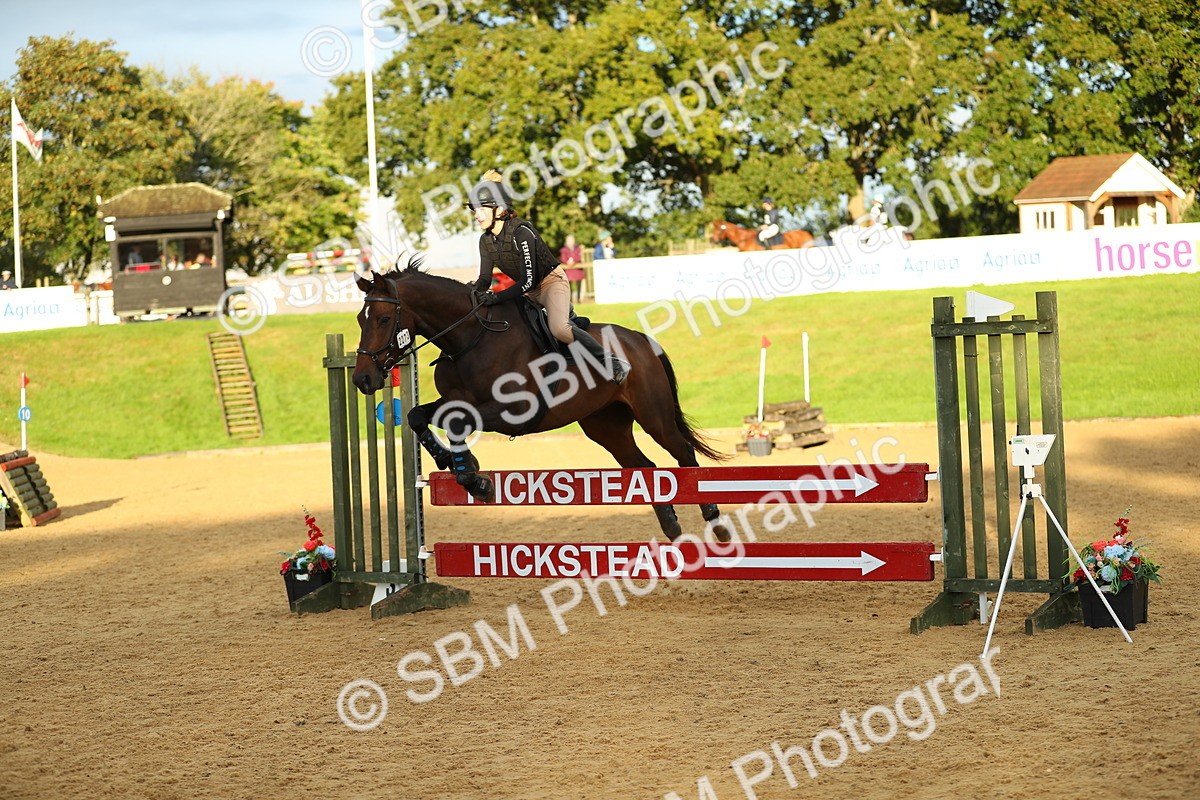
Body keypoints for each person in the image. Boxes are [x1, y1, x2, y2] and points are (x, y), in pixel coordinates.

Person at [469, 170, 627, 383]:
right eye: (474, 210)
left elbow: (529, 280)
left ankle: (610, 360)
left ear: (500, 208)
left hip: (549, 283)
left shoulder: (521, 232)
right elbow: (485, 279)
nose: (476, 215)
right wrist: (471, 293)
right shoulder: (485, 241)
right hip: (526, 292)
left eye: (481, 209)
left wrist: (496, 297)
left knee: (559, 329)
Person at [559, 234, 585, 303]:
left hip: (577, 269)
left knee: (578, 284)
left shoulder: (578, 248)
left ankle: (579, 299)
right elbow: (563, 258)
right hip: (568, 270)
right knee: (569, 286)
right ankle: (570, 300)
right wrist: (567, 262)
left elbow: (579, 257)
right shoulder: (563, 250)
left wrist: (574, 261)